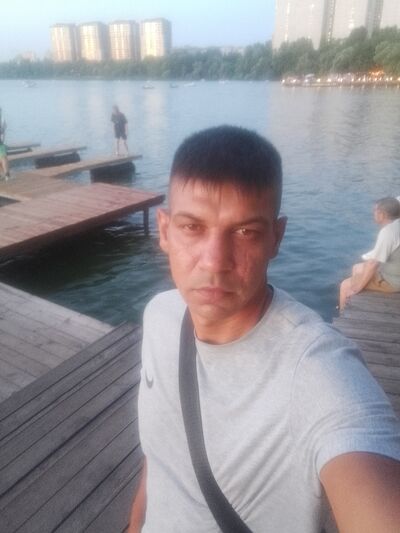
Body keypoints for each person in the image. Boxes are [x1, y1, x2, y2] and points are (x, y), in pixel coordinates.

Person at [129, 126, 400, 533]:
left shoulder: (315, 371)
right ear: (164, 231)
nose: (214, 262)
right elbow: (162, 454)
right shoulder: (160, 315)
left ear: (276, 237)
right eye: (192, 227)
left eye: (245, 232)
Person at [339, 197, 400, 310]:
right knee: (357, 267)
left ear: (382, 214)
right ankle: (356, 302)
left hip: (394, 281)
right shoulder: (397, 225)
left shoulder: (388, 232)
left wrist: (357, 288)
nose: (373, 214)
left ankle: (343, 312)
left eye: (375, 211)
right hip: (394, 273)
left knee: (345, 285)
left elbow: (373, 264)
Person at [0, 108, 10, 180]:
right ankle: (5, 175)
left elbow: (3, 129)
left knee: (3, 157)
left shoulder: (2, 119)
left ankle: (6, 175)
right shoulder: (2, 119)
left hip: (1, 142)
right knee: (3, 157)